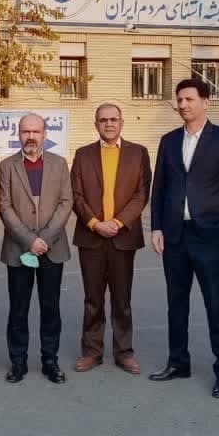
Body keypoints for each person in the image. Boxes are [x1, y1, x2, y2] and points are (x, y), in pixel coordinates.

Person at [148, 79, 219, 399]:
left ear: (206, 102)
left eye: (189, 99)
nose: (183, 105)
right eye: (179, 100)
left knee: (216, 305)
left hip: (208, 235)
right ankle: (178, 362)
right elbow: (159, 188)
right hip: (175, 236)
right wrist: (157, 227)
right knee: (176, 304)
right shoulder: (169, 140)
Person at [70, 103, 151, 375]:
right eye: (103, 120)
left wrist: (117, 223)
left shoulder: (138, 153)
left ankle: (124, 352)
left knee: (122, 299)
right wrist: (95, 224)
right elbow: (76, 195)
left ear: (121, 123)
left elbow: (142, 193)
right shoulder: (83, 155)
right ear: (96, 124)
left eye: (113, 119)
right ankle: (92, 352)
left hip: (123, 237)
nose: (108, 124)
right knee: (92, 299)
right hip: (91, 237)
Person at [0, 113, 73, 384]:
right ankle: (18, 362)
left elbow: (66, 202)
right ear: (18, 134)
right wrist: (29, 240)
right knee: (18, 308)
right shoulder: (6, 167)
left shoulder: (59, 164)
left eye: (36, 131)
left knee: (50, 307)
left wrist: (46, 238)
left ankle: (50, 361)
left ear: (45, 134)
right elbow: (4, 206)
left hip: (53, 248)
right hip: (19, 249)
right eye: (25, 131)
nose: (31, 136)